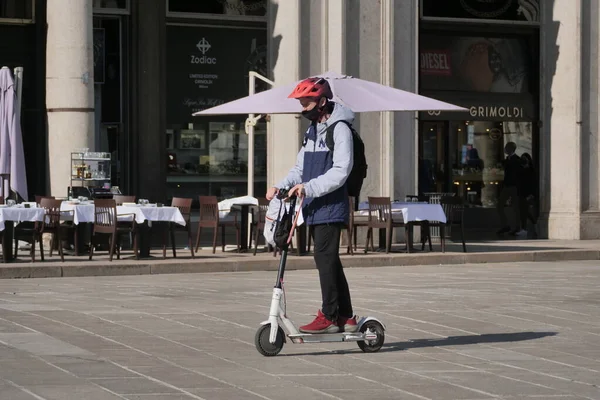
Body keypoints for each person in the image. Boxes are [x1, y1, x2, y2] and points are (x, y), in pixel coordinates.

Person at [266, 77, 357, 334]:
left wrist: (308, 187)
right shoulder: (313, 130)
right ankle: (347, 316)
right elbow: (300, 168)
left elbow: (342, 170)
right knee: (330, 260)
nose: (302, 108)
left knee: (324, 257)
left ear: (322, 102)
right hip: (314, 204)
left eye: (306, 103)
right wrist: (280, 186)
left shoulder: (340, 129)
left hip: (331, 203)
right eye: (301, 103)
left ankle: (329, 316)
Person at [497, 141, 522, 235]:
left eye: (506, 147)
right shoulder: (507, 159)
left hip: (514, 186)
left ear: (510, 149)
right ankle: (505, 225)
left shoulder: (516, 160)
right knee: (500, 206)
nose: (504, 149)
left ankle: (517, 227)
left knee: (515, 207)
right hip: (507, 185)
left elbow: (518, 174)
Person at [517, 152, 537, 237]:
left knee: (526, 212)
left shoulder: (531, 171)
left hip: (528, 194)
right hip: (522, 194)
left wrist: (531, 194)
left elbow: (532, 183)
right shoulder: (521, 170)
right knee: (523, 212)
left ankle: (528, 228)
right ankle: (525, 228)